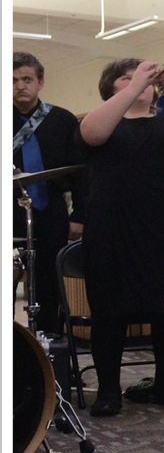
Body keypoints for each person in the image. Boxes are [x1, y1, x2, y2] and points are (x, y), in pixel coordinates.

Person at [77, 57, 164, 416]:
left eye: (144, 79)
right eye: (125, 78)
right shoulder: (102, 122)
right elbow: (92, 133)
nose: (139, 82)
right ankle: (108, 391)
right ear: (111, 88)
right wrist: (138, 83)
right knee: (109, 311)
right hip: (112, 230)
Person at [13, 51, 86, 335]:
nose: (21, 85)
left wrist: (79, 214)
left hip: (50, 210)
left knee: (49, 283)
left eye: (27, 79)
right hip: (8, 209)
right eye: (14, 80)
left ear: (40, 82)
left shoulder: (62, 120)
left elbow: (80, 172)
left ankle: (48, 344)